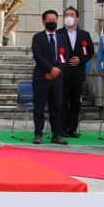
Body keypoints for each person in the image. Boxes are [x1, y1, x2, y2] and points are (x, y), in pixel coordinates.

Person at [30, 10, 70, 145]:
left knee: (56, 107)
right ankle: (38, 134)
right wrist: (50, 69)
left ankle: (56, 134)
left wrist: (56, 70)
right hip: (41, 77)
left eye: (54, 20)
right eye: (49, 20)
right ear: (43, 21)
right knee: (39, 107)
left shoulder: (62, 38)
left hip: (57, 78)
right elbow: (38, 56)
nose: (52, 22)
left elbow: (65, 58)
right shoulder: (38, 37)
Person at [60, 6, 94, 138]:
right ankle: (62, 128)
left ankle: (73, 129)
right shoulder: (59, 33)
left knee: (75, 102)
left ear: (77, 18)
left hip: (78, 74)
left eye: (72, 14)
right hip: (63, 73)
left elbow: (90, 52)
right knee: (63, 102)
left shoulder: (84, 35)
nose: (69, 17)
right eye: (67, 14)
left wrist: (81, 59)